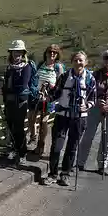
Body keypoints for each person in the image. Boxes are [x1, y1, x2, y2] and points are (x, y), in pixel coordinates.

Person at [42, 51, 96, 186]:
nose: (78, 63)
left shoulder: (90, 78)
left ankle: (65, 174)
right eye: (76, 60)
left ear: (86, 62)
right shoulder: (65, 76)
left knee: (72, 147)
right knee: (56, 147)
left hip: (79, 117)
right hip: (62, 116)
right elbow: (56, 93)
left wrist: (87, 106)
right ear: (72, 62)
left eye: (81, 60)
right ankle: (52, 174)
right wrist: (48, 98)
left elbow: (93, 98)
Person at [77, 50, 108, 176]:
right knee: (88, 136)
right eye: (107, 57)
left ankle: (102, 165)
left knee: (107, 139)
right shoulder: (96, 74)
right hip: (96, 108)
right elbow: (89, 90)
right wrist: (97, 100)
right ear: (103, 60)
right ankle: (80, 163)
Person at [2, 40, 36, 165]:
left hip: (20, 101)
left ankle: (22, 152)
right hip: (9, 101)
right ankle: (13, 149)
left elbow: (23, 84)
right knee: (10, 125)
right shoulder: (9, 67)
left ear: (23, 53)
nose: (17, 54)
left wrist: (9, 89)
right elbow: (6, 85)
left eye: (19, 52)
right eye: (14, 51)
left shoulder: (26, 67)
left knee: (19, 127)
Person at [27, 44, 65, 155]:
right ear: (46, 53)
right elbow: (34, 78)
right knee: (31, 117)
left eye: (54, 52)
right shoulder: (40, 64)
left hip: (49, 97)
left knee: (44, 121)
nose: (52, 54)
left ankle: (41, 144)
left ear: (57, 54)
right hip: (36, 95)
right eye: (50, 51)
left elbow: (60, 83)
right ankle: (33, 136)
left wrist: (51, 92)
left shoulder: (58, 67)